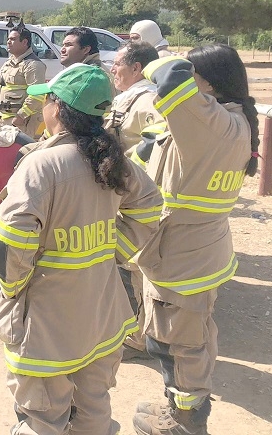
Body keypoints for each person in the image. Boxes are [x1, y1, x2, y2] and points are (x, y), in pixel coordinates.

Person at [0, 64, 162, 435]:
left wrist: (14, 288)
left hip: (49, 323)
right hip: (101, 314)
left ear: (56, 107)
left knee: (43, 418)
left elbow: (8, 241)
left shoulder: (41, 164)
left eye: (47, 100)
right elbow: (149, 206)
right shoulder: (113, 159)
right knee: (93, 410)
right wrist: (114, 250)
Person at [132, 45, 259, 435]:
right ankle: (180, 409)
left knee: (181, 345)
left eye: (195, 74)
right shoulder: (231, 121)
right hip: (198, 249)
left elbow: (167, 80)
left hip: (182, 254)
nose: (189, 80)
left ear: (209, 81)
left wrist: (169, 59)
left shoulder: (212, 120)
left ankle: (185, 422)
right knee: (182, 338)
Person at [104, 41, 163, 363]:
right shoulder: (129, 99)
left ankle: (141, 339)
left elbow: (161, 140)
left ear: (137, 68)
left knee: (140, 267)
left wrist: (127, 170)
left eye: (118, 63)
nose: (113, 69)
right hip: (127, 194)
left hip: (140, 198)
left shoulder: (147, 101)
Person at [0, 21, 46, 138]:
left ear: (25, 42)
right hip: (5, 118)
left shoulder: (33, 65)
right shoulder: (9, 62)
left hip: (22, 121)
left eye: (13, 39)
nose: (8, 42)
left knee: (19, 153)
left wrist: (21, 116)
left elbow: (37, 95)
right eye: (8, 39)